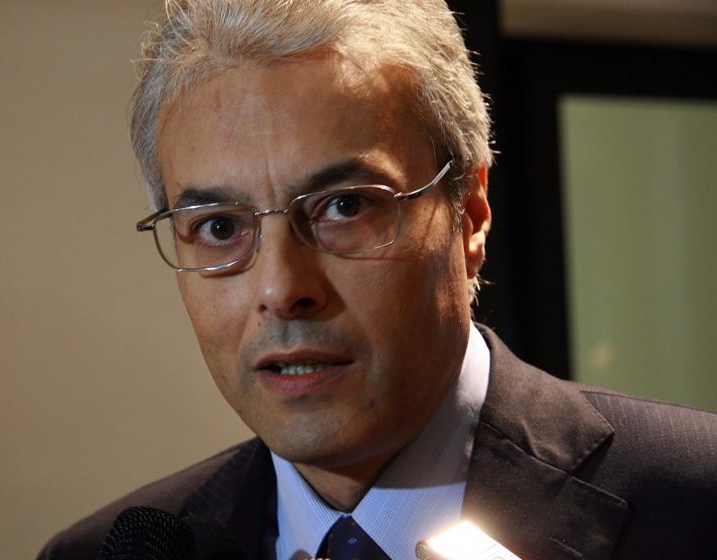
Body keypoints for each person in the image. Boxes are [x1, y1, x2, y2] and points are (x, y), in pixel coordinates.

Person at [37, 1, 717, 558]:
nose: (282, 289)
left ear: (470, 213)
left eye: (344, 207)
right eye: (219, 226)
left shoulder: (697, 502)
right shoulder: (94, 554)